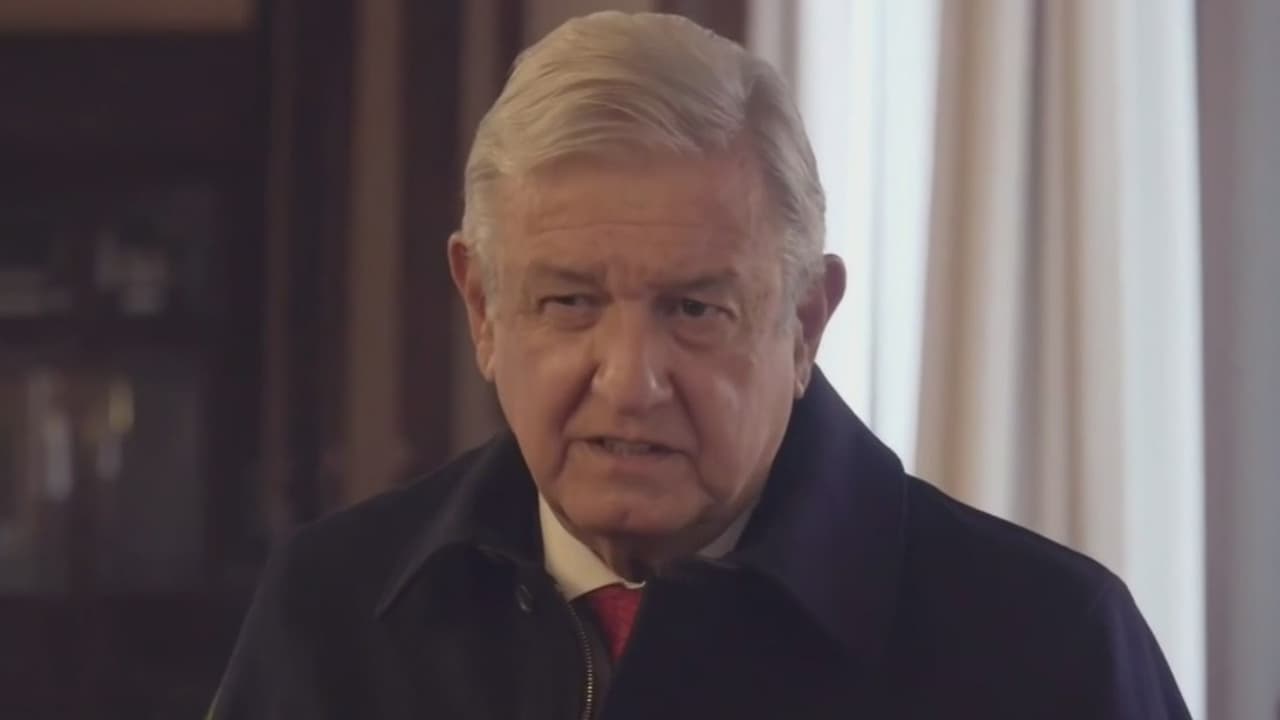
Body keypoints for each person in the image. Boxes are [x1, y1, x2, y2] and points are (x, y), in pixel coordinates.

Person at [211, 11, 1191, 719]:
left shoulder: (1049, 646)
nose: (629, 380)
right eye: (569, 302)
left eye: (694, 310)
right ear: (482, 308)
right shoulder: (330, 613)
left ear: (804, 322)